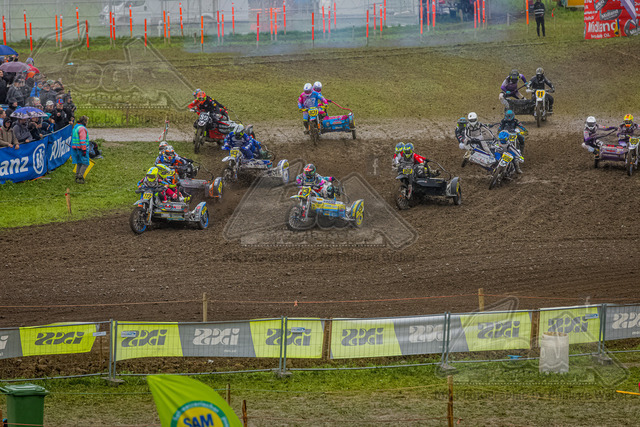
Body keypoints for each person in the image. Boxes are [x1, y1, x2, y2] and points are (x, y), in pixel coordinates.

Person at [71, 116, 91, 184]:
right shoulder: (82, 128)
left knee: (79, 162)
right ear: (84, 121)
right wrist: (84, 149)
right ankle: (80, 176)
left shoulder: (76, 127)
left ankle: (77, 175)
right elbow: (82, 140)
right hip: (81, 148)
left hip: (75, 148)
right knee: (85, 163)